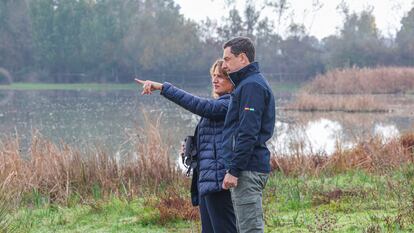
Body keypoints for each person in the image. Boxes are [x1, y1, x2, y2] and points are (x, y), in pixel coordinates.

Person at [136, 59, 237, 233]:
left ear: (233, 81)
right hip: (207, 181)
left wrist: (162, 88)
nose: (215, 80)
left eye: (220, 76)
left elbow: (200, 105)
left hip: (219, 182)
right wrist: (193, 149)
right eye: (213, 76)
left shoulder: (229, 104)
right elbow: (214, 141)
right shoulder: (218, 105)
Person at [221, 37, 276, 233]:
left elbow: (247, 133)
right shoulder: (247, 84)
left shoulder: (252, 86)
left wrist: (234, 170)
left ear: (242, 58)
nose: (224, 65)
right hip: (247, 167)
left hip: (247, 169)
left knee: (250, 230)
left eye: (227, 59)